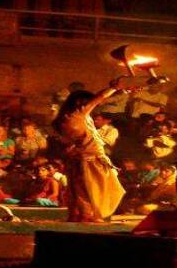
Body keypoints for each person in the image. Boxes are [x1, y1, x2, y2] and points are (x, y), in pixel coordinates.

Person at [52, 78, 126, 222]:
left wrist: (123, 91)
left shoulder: (64, 118)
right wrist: (115, 88)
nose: (92, 106)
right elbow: (99, 98)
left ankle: (78, 215)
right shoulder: (78, 114)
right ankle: (88, 215)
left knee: (77, 189)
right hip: (89, 158)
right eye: (87, 103)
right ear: (80, 103)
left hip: (79, 157)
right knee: (92, 189)